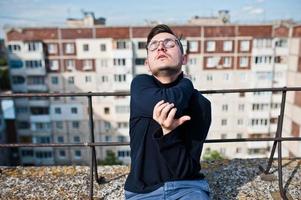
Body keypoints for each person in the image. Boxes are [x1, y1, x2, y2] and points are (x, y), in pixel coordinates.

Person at [124, 24, 212, 200]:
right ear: (147, 64)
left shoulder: (201, 105)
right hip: (142, 192)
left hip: (188, 187)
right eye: (153, 46)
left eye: (170, 44)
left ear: (184, 58)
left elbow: (186, 169)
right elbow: (167, 101)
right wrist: (187, 82)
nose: (161, 47)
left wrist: (169, 134)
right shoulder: (141, 86)